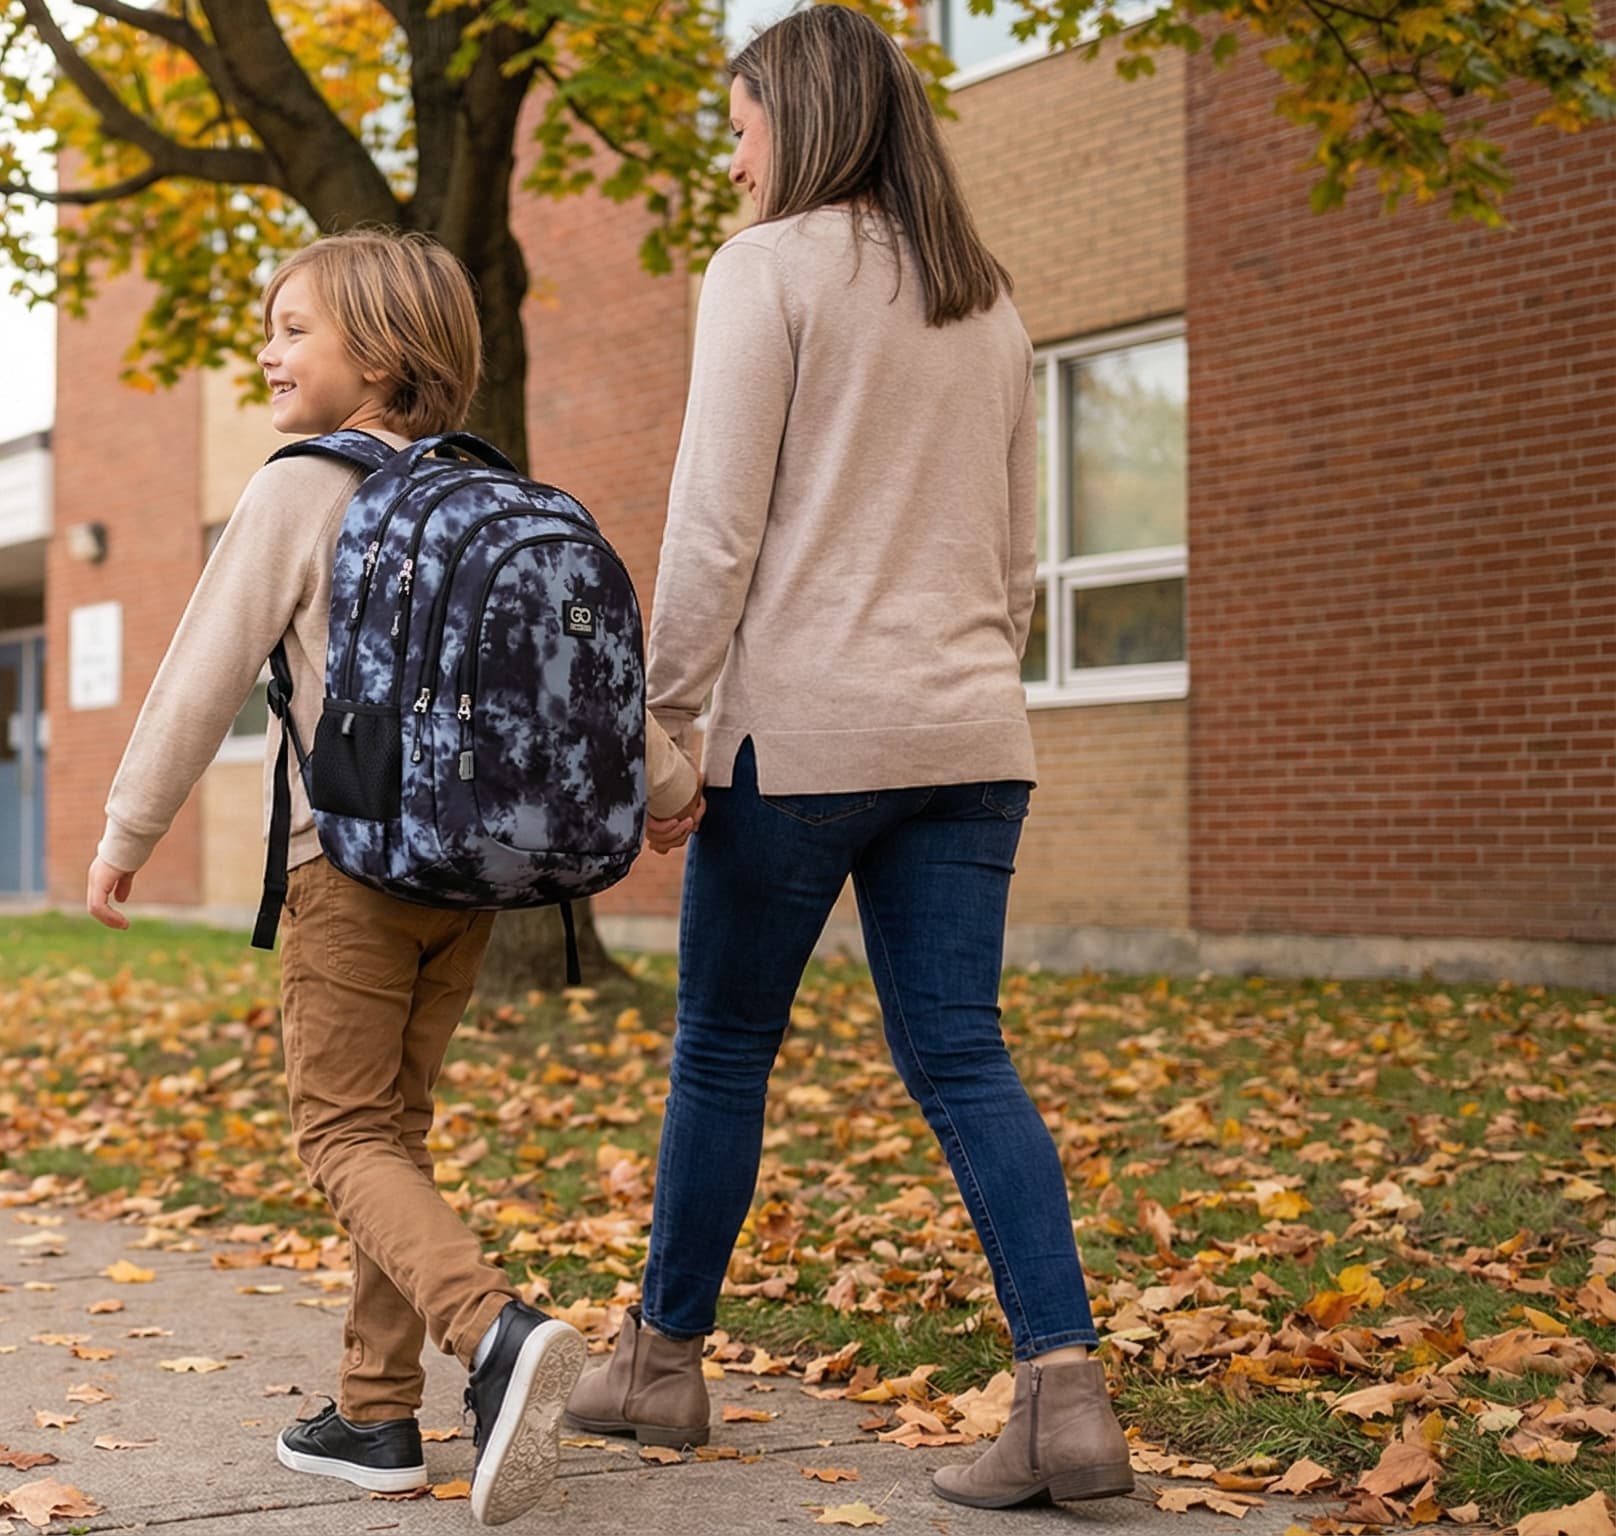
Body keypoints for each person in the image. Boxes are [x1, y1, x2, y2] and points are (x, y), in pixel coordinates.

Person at [562, 4, 1134, 1510]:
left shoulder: (766, 271)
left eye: (739, 125)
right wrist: (956, 689)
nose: (729, 156)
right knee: (962, 1054)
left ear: (802, 122)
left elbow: (713, 524)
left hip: (799, 743)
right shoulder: (986, 299)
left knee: (725, 1048)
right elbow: (1016, 564)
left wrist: (666, 724)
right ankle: (1066, 1397)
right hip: (969, 739)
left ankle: (662, 1362)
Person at [85, 229, 590, 1527]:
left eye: (295, 327)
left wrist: (128, 828)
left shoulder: (298, 488)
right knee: (393, 1129)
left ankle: (489, 1333)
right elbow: (576, 673)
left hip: (348, 866)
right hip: (474, 877)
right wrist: (671, 787)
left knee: (344, 1130)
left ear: (382, 351)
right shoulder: (485, 494)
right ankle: (372, 1415)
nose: (269, 349)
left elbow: (202, 673)